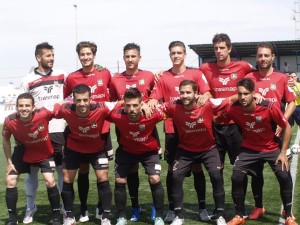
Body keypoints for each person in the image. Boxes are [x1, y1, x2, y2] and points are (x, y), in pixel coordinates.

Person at [148, 41, 212, 222]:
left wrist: (203, 96)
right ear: (170, 55)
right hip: (172, 130)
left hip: (194, 129)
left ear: (184, 54)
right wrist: (151, 102)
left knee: (197, 167)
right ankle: (172, 208)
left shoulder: (196, 74)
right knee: (172, 170)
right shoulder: (163, 77)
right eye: (173, 53)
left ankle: (202, 208)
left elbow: (207, 93)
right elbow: (154, 98)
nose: (176, 56)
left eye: (179, 53)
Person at [223, 78, 297, 225]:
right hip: (249, 148)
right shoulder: (233, 109)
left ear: (253, 93)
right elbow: (219, 118)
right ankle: (239, 216)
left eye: (246, 94)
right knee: (236, 177)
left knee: (283, 174)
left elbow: (287, 127)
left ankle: (288, 215)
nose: (242, 97)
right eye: (239, 94)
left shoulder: (268, 107)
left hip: (271, 147)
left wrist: (283, 152)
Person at [161, 80, 235, 225]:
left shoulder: (207, 103)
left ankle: (220, 214)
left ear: (196, 94)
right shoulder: (174, 106)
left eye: (188, 92)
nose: (184, 95)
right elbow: (157, 109)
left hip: (208, 149)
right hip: (185, 150)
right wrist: (145, 104)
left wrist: (255, 94)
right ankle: (179, 215)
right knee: (175, 176)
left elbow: (231, 98)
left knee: (216, 175)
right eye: (182, 92)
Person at [199, 33, 254, 218]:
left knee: (240, 169)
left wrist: (227, 99)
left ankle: (241, 207)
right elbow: (193, 79)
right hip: (215, 126)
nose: (219, 51)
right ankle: (219, 208)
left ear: (229, 48)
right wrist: (160, 73)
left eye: (222, 48)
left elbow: (257, 80)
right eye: (216, 48)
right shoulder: (206, 68)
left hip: (237, 126)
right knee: (217, 170)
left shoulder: (243, 66)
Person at [245, 42, 296, 219]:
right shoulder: (249, 77)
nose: (263, 59)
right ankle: (259, 207)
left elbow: (291, 101)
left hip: (277, 134)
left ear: (273, 57)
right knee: (255, 174)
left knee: (283, 173)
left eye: (266, 55)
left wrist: (283, 122)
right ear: (256, 57)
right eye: (260, 55)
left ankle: (287, 211)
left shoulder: (281, 78)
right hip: (255, 133)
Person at [110, 42, 160, 222]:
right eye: (127, 56)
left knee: (153, 175)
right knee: (130, 171)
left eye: (133, 56)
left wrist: (150, 101)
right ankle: (135, 207)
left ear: (139, 57)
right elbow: (111, 103)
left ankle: (156, 209)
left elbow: (157, 93)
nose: (130, 59)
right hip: (124, 130)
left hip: (148, 130)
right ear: (123, 58)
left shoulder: (148, 76)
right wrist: (124, 105)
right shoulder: (115, 79)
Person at [63, 41, 113, 222]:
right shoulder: (72, 77)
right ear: (78, 56)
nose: (85, 57)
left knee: (102, 174)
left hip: (102, 131)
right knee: (82, 171)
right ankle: (83, 208)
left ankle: (101, 209)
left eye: (88, 54)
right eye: (82, 54)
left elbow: (113, 96)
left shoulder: (105, 73)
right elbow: (67, 99)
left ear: (94, 55)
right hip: (79, 131)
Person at [21, 42, 67, 224]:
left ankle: (64, 207)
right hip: (35, 134)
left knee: (61, 170)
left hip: (58, 130)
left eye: (53, 55)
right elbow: (23, 105)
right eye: (48, 55)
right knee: (31, 172)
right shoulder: (27, 80)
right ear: (38, 58)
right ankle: (30, 207)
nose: (52, 58)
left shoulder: (62, 75)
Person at [54, 84, 113, 225]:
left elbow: (121, 104)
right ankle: (69, 215)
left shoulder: (101, 107)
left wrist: (146, 105)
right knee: (67, 179)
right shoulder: (66, 109)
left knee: (103, 177)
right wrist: (59, 103)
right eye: (78, 100)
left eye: (85, 100)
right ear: (73, 100)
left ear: (90, 99)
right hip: (74, 149)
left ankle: (105, 216)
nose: (82, 104)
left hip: (97, 149)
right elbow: (55, 110)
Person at [107, 87, 165, 225]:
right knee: (120, 181)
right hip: (126, 151)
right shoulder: (116, 115)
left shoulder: (153, 114)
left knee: (155, 178)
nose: (131, 109)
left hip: (148, 152)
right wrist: (121, 103)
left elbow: (170, 110)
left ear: (141, 104)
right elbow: (103, 108)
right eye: (128, 105)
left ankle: (159, 215)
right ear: (124, 105)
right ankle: (121, 216)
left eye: (135, 105)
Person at [3, 93, 61, 225]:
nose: (24, 108)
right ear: (16, 107)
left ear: (33, 107)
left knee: (49, 180)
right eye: (21, 106)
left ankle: (56, 216)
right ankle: (12, 219)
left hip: (44, 152)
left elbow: (58, 111)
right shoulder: (10, 121)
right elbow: (5, 139)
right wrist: (9, 162)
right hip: (23, 150)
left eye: (27, 105)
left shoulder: (43, 113)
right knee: (10, 179)